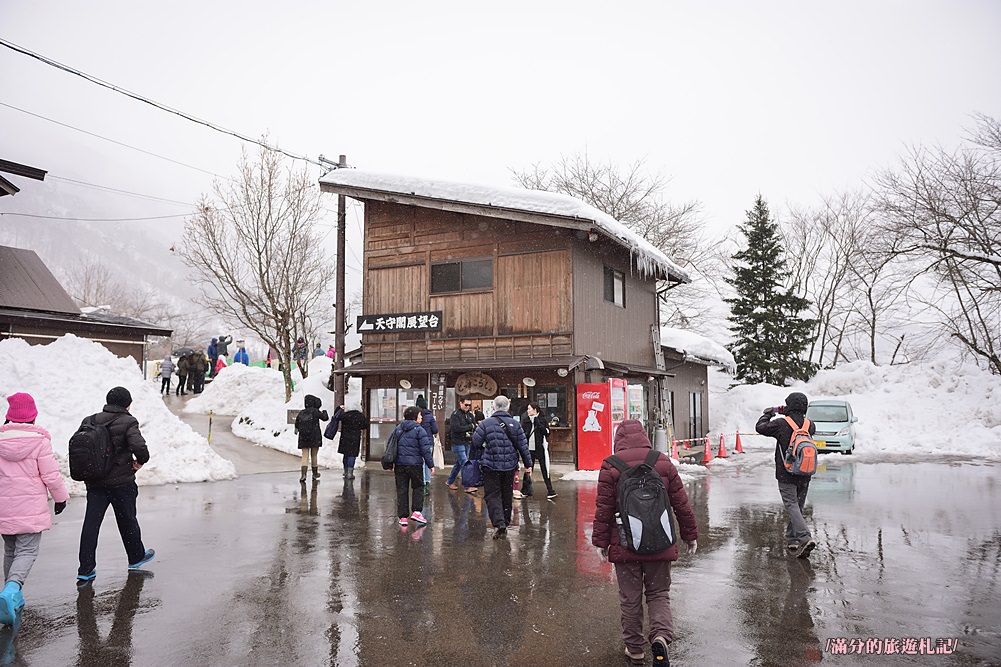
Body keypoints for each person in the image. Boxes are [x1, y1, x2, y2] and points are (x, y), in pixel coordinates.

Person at [592, 419, 699, 666]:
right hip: (660, 541)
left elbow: (603, 510)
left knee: (630, 599)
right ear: (644, 436)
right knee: (658, 593)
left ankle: (635, 650)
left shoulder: (610, 466)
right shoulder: (661, 461)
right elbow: (681, 504)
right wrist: (689, 535)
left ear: (618, 439)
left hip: (625, 544)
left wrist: (600, 542)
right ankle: (660, 636)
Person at [0, 393, 70, 626]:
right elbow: (50, 475)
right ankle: (11, 591)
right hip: (30, 508)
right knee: (27, 551)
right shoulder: (39, 441)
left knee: (11, 550)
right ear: (32, 416)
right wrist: (60, 498)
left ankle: (11, 595)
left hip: (4, 508)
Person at [77, 387, 155, 585]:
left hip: (95, 482)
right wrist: (139, 462)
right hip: (121, 482)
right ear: (127, 404)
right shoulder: (128, 421)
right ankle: (136, 556)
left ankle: (85, 569)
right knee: (127, 519)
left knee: (91, 524)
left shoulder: (90, 420)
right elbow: (141, 449)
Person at [756, 391, 817, 558]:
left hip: (786, 473)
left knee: (791, 505)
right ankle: (792, 539)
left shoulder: (781, 424)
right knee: (797, 506)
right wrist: (788, 412)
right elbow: (797, 420)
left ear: (789, 405)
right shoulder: (810, 425)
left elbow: (760, 428)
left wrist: (767, 414)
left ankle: (804, 538)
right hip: (805, 472)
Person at [471, 395, 532, 539]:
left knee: (492, 495)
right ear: (508, 407)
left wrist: (481, 452)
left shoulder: (485, 424)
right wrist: (528, 464)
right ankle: (504, 520)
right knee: (506, 494)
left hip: (490, 465)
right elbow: (523, 446)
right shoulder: (515, 424)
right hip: (509, 465)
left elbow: (475, 442)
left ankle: (499, 524)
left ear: (494, 407)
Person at [390, 406, 434, 526]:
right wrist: (431, 465)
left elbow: (391, 445)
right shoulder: (420, 430)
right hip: (415, 465)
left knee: (402, 489)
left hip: (400, 465)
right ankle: (416, 511)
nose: (421, 417)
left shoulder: (398, 429)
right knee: (418, 487)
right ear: (415, 417)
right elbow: (425, 450)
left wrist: (392, 462)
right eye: (420, 415)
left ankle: (403, 517)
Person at [520, 402, 557, 499]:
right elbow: (522, 433)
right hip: (529, 449)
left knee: (545, 469)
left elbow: (547, 432)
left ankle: (550, 490)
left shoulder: (542, 419)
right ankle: (525, 490)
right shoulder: (525, 420)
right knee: (528, 469)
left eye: (529, 408)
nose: (528, 411)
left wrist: (539, 424)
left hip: (540, 448)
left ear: (535, 409)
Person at [295, 394, 329, 483]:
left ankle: (303, 474)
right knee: (314, 455)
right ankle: (315, 473)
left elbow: (297, 424)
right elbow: (325, 418)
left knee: (304, 456)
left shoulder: (301, 412)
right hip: (314, 436)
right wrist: (324, 412)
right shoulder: (315, 411)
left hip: (303, 437)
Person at [331, 404, 369, 479]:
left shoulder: (345, 415)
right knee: (352, 455)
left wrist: (338, 408)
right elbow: (365, 425)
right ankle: (350, 473)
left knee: (346, 455)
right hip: (355, 438)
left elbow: (336, 416)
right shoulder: (360, 416)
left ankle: (345, 471)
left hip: (345, 438)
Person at [446, 398, 477, 492]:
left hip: (467, 441)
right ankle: (468, 486)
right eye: (466, 405)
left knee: (459, 464)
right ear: (460, 403)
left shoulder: (470, 415)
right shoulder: (455, 415)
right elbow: (456, 428)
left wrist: (472, 427)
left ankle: (450, 481)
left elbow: (474, 425)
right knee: (465, 463)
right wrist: (469, 427)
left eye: (469, 405)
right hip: (457, 442)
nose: (467, 407)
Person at [414, 395, 439, 495]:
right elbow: (435, 430)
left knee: (421, 463)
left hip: (418, 443)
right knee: (427, 463)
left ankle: (422, 483)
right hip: (428, 443)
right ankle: (427, 483)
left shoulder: (415, 416)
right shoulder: (430, 416)